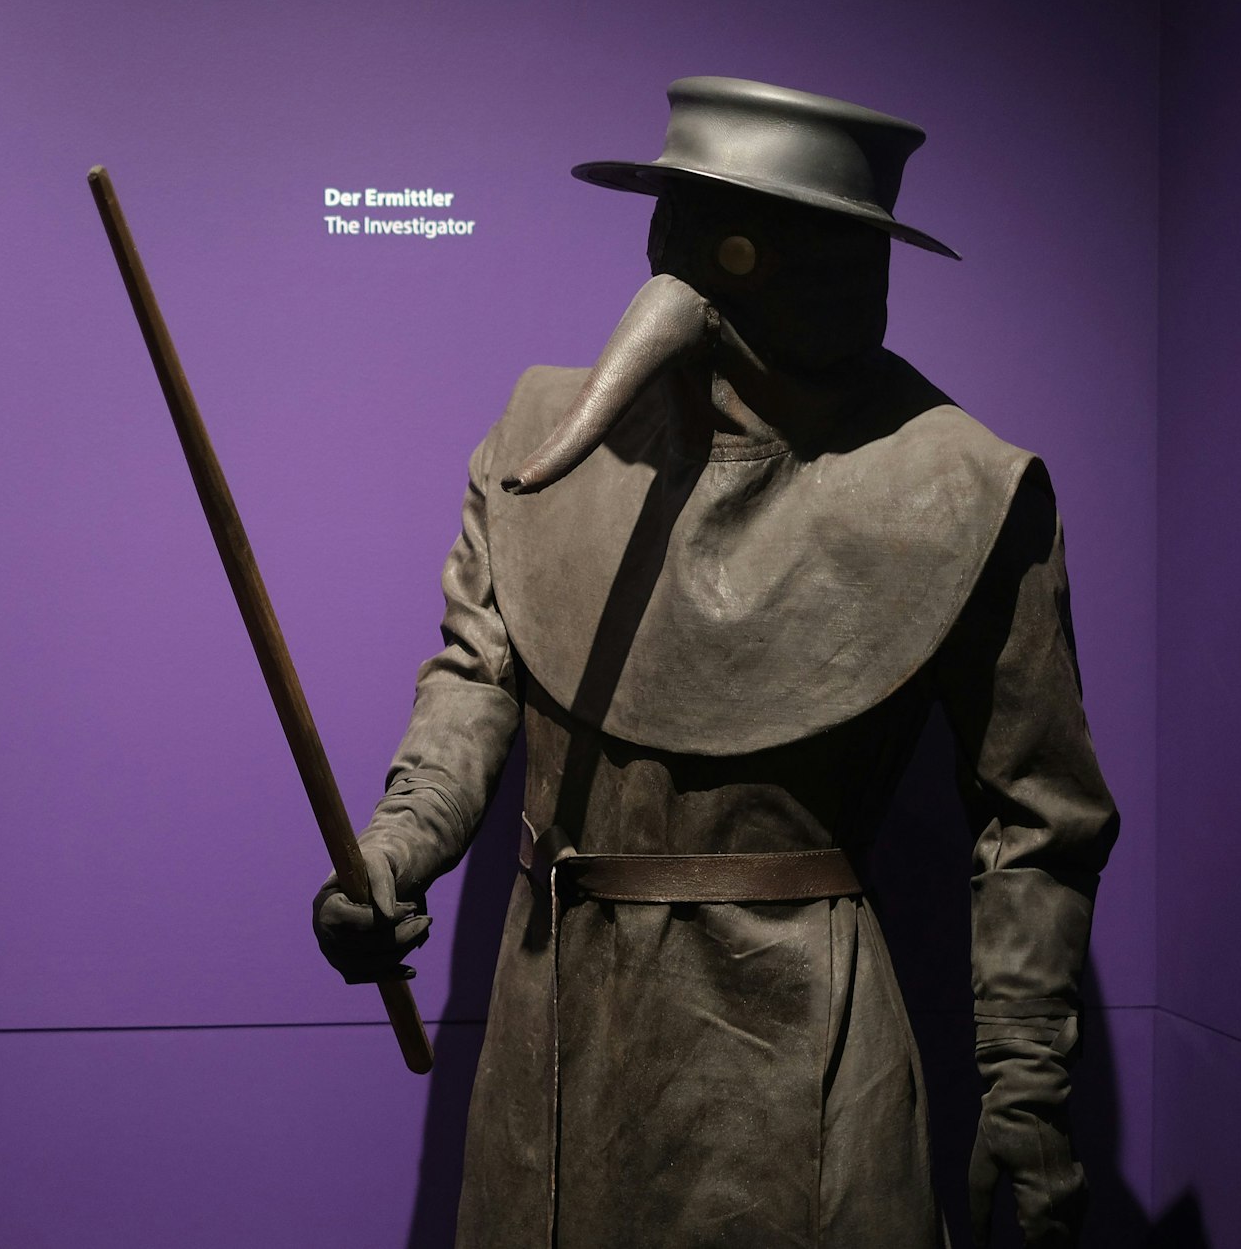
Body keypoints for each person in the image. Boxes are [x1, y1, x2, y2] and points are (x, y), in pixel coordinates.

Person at [314, 77, 1118, 1248]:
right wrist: (394, 847)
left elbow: (1033, 817)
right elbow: (480, 669)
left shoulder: (961, 489)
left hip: (792, 1041)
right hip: (556, 1021)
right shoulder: (540, 431)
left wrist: (1025, 1084)